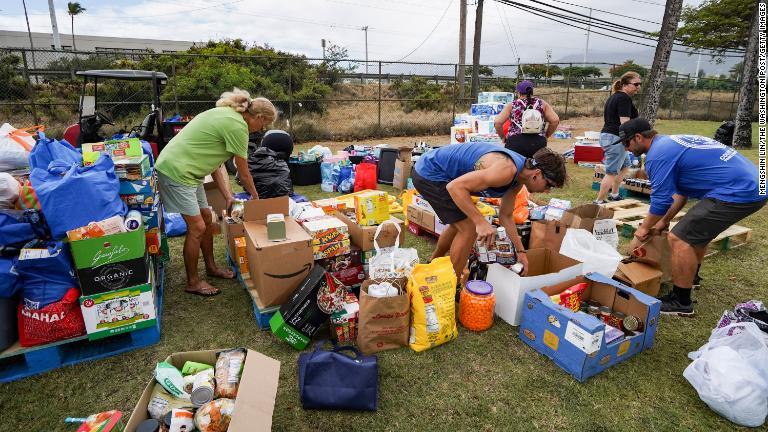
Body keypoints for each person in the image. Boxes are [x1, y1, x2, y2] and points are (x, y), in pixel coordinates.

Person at [618, 118, 767, 316]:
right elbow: (680, 194)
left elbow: (661, 201)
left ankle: (681, 301)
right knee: (696, 235)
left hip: (738, 191)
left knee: (679, 239)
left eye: (626, 143)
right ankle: (692, 278)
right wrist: (664, 221)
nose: (626, 148)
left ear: (638, 137)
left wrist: (643, 230)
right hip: (751, 185)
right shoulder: (669, 144)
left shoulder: (657, 155)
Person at [155, 88, 277, 296]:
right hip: (176, 171)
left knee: (208, 220)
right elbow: (244, 172)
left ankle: (211, 268)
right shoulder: (238, 126)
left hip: (191, 173)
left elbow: (217, 165)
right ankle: (193, 282)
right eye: (264, 124)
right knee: (197, 227)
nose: (262, 129)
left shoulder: (228, 115)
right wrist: (255, 197)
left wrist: (229, 197)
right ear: (258, 117)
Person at [412, 143, 567, 278]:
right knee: (469, 228)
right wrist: (480, 222)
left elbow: (506, 216)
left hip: (441, 174)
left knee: (458, 224)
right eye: (549, 185)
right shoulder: (506, 170)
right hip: (430, 173)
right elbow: (455, 187)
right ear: (537, 174)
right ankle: (449, 285)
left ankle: (432, 264)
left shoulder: (518, 179)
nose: (547, 191)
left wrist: (521, 252)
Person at [595, 71, 642, 204]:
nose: (638, 87)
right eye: (636, 84)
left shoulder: (616, 96)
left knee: (625, 166)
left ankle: (614, 194)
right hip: (616, 138)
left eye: (640, 84)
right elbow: (625, 123)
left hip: (611, 137)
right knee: (611, 172)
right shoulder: (623, 98)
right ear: (625, 85)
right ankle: (599, 201)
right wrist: (634, 139)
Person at [494, 80, 560, 158]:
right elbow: (555, 120)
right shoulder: (542, 103)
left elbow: (497, 122)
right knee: (536, 167)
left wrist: (503, 137)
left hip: (515, 142)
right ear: (532, 91)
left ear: (518, 92)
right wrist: (546, 135)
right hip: (538, 143)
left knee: (515, 167)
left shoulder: (512, 105)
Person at [237, 129, 294, 199]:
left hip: (269, 140)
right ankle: (281, 189)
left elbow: (240, 179)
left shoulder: (252, 158)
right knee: (281, 165)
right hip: (287, 141)